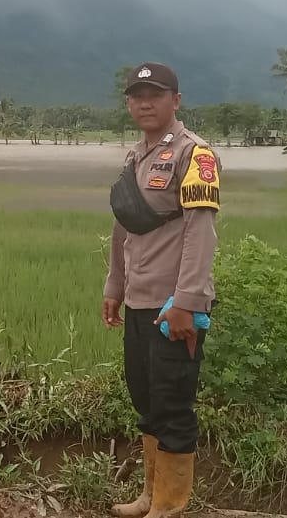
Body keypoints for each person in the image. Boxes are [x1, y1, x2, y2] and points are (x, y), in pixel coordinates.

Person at [102, 62, 220, 518]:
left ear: (176, 99)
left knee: (173, 404)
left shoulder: (196, 155)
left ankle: (169, 508)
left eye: (155, 93)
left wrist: (187, 303)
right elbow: (124, 227)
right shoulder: (135, 157)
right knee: (146, 399)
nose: (144, 102)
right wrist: (115, 284)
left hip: (174, 307)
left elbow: (200, 231)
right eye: (136, 95)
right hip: (139, 300)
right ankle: (150, 497)